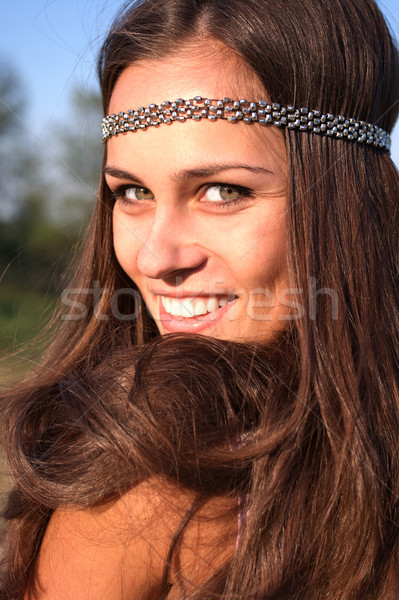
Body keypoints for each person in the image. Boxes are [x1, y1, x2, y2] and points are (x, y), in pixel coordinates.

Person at [0, 0, 398, 597]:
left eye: (222, 191)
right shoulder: (152, 481)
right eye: (132, 191)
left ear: (344, 195)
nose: (157, 258)